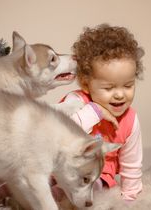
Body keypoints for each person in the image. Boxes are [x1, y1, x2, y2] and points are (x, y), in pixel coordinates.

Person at [53, 24, 144, 202]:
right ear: (86, 83)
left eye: (128, 85)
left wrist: (130, 198)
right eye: (109, 87)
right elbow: (58, 132)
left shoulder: (130, 120)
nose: (120, 94)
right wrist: (96, 111)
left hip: (98, 175)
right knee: (32, 174)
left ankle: (58, 196)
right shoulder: (76, 102)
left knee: (94, 186)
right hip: (59, 165)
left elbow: (131, 165)